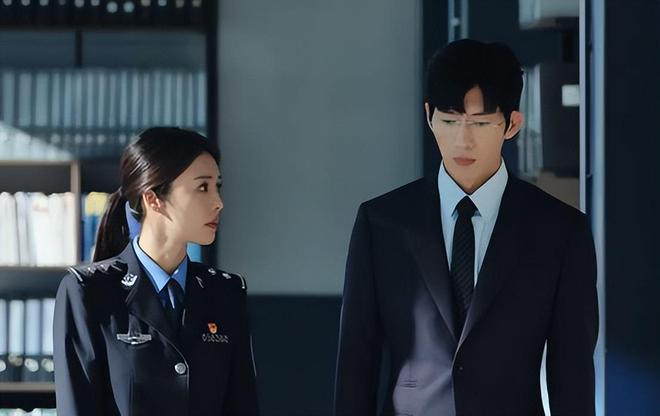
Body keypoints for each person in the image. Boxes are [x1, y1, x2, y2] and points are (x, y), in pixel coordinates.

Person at [334, 39, 598, 416]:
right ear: (429, 116)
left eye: (480, 123)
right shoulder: (382, 223)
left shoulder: (559, 231)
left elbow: (573, 376)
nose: (463, 139)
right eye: (449, 120)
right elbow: (356, 364)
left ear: (512, 124)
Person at [54, 127, 259, 415]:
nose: (218, 202)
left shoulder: (226, 293)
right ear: (153, 199)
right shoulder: (87, 293)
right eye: (203, 187)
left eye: (218, 187)